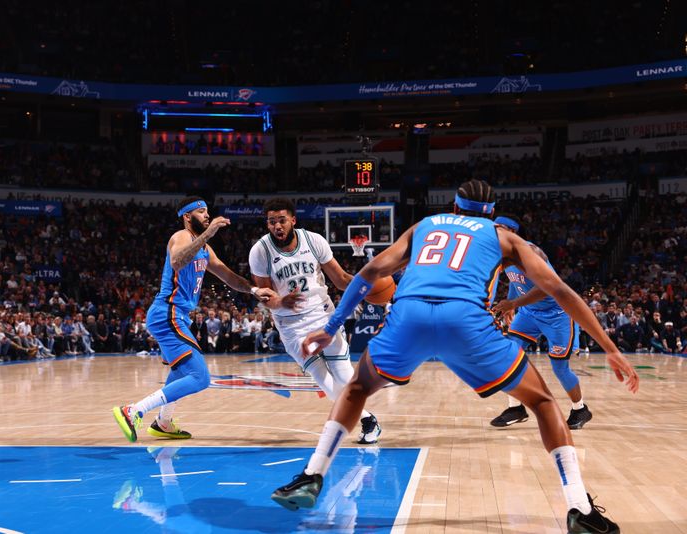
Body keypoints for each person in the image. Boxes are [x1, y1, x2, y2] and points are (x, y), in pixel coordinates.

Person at [271, 180, 639, 534]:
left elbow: (370, 272)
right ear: (491, 212)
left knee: (356, 388)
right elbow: (559, 289)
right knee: (543, 401)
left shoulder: (424, 225)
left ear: (454, 207)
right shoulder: (503, 236)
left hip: (409, 314)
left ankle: (312, 475)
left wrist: (333, 325)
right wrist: (610, 348)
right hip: (466, 321)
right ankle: (580, 509)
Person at [112, 197, 275, 441]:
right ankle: (133, 411)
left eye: (208, 211)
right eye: (201, 212)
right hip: (167, 312)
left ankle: (164, 422)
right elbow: (177, 261)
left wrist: (253, 290)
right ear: (187, 217)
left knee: (180, 371)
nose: (207, 215)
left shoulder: (205, 249)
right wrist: (208, 233)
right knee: (200, 377)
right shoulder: (181, 236)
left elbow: (228, 277)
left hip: (175, 315)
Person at [249, 197, 381, 444]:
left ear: (293, 220)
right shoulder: (260, 251)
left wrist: (368, 286)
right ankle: (367, 419)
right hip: (291, 327)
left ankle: (366, 420)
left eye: (282, 220)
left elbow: (340, 278)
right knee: (325, 381)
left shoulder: (313, 240)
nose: (277, 226)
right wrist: (279, 302)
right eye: (271, 222)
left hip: (323, 316)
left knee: (343, 377)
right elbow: (265, 295)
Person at [489, 216, 592, 430]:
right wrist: (513, 306)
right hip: (528, 312)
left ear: (512, 232)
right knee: (508, 356)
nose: (494, 233)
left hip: (558, 313)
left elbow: (545, 288)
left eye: (499, 229)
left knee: (559, 368)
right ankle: (515, 408)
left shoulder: (532, 253)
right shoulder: (503, 255)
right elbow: (513, 282)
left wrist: (513, 303)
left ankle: (580, 409)